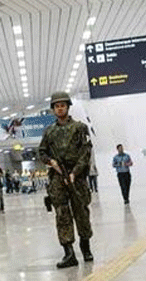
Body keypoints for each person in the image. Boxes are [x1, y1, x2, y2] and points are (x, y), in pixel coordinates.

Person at [39, 92, 93, 268]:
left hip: (77, 177)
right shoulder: (49, 131)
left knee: (81, 211)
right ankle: (69, 252)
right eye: (56, 106)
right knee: (62, 214)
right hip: (57, 177)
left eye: (63, 105)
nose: (60, 108)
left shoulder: (80, 128)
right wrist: (51, 162)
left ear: (68, 107)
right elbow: (42, 152)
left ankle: (85, 246)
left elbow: (86, 153)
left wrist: (75, 173)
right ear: (53, 109)